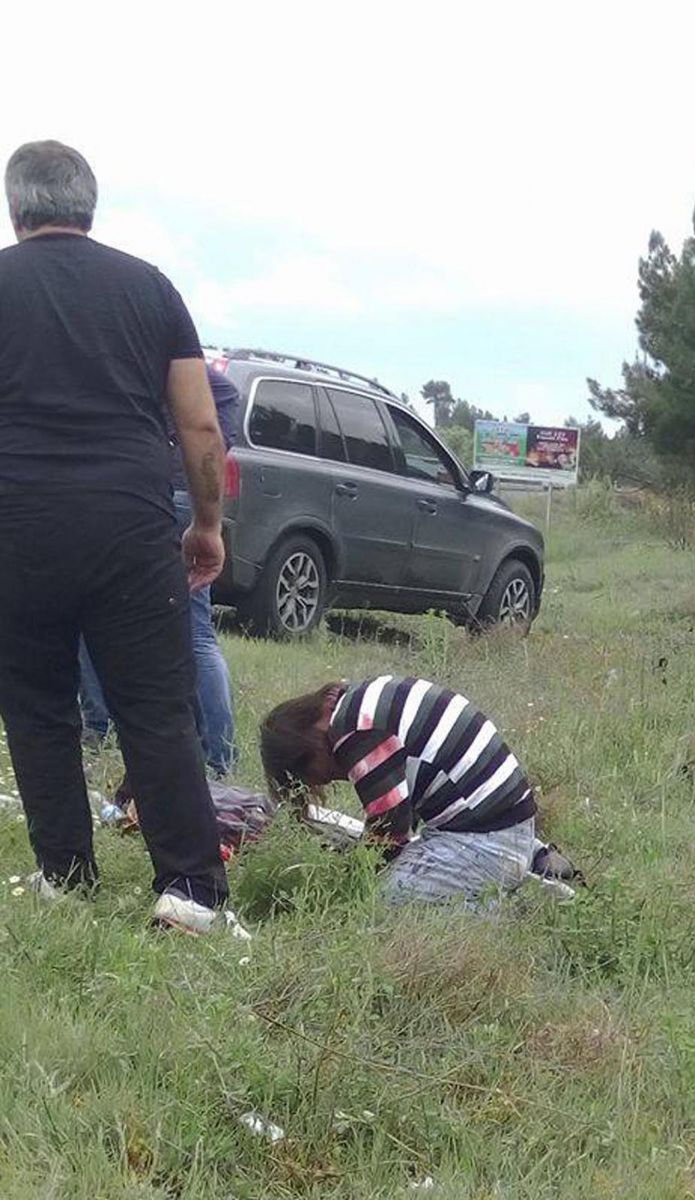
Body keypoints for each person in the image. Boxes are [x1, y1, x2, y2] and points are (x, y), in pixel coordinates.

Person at [0, 140, 234, 934]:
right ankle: (190, 893)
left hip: (17, 528)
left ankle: (66, 876)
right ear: (89, 206)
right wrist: (206, 523)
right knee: (156, 708)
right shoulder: (150, 288)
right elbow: (199, 425)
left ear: (16, 208)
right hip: (130, 527)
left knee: (36, 709)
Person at [261, 675, 567, 904]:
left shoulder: (354, 732)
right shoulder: (361, 698)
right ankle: (521, 870)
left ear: (307, 747)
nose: (331, 780)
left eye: (316, 776)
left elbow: (390, 834)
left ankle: (517, 905)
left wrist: (349, 880)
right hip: (504, 826)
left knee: (383, 897)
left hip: (488, 843)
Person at [79, 364, 241, 777]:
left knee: (92, 610)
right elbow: (223, 405)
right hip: (171, 493)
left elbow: (218, 407)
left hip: (152, 494)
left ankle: (100, 728)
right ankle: (217, 756)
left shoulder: (146, 361)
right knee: (195, 632)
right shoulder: (189, 371)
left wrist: (172, 446)